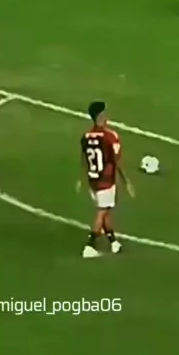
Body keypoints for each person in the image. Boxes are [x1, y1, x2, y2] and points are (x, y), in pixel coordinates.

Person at [77, 100, 134, 258]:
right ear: (100, 116)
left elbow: (83, 159)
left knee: (105, 210)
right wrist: (127, 181)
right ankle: (90, 245)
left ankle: (113, 242)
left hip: (93, 180)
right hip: (106, 181)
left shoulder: (86, 136)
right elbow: (117, 161)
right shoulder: (110, 136)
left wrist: (81, 178)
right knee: (102, 212)